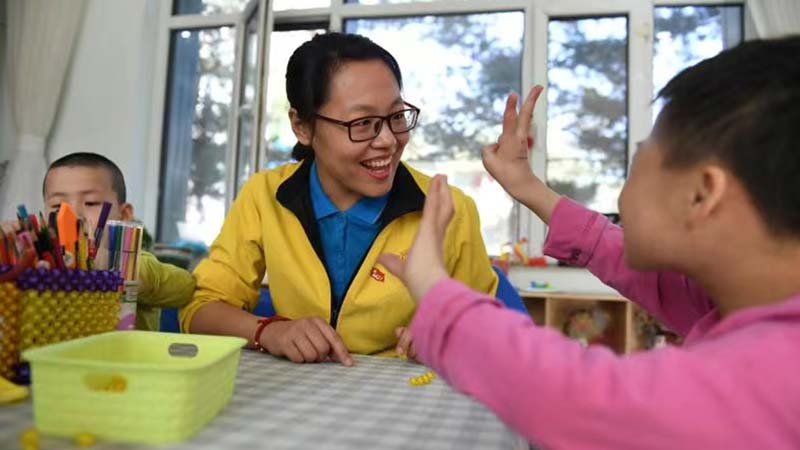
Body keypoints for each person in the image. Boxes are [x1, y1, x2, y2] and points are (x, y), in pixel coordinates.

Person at [379, 36, 800, 449]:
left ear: (701, 194)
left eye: (637, 163)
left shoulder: (773, 374)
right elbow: (628, 262)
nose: (622, 197)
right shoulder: (742, 302)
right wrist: (528, 187)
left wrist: (433, 288)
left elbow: (576, 395)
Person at [180, 32, 500, 365]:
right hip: (299, 388)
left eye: (396, 117)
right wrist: (268, 331)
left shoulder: (448, 208)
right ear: (302, 126)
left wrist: (448, 336)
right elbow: (200, 309)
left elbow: (491, 331)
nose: (388, 140)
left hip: (407, 390)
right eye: (362, 123)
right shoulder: (265, 196)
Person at [42, 152, 196, 331]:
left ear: (124, 215)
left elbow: (187, 287)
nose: (74, 216)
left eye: (91, 203)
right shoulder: (43, 261)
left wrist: (128, 271)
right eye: (57, 206)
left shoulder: (133, 261)